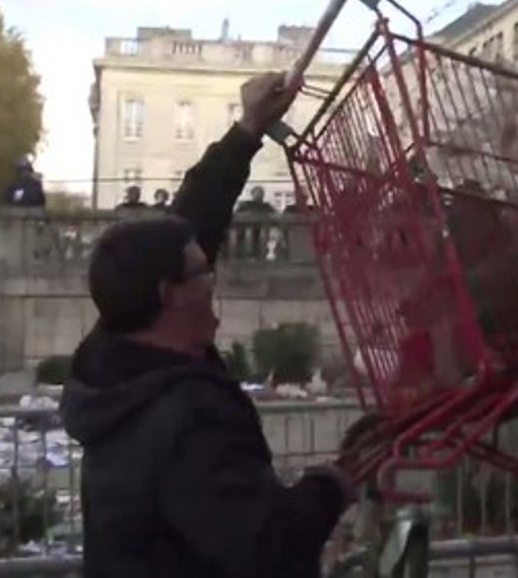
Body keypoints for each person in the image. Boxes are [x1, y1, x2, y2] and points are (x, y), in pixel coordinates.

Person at [60, 72, 357, 577]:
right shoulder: (184, 422)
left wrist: (247, 130)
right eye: (203, 272)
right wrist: (335, 482)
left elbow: (191, 220)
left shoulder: (119, 359)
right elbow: (271, 546)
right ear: (168, 294)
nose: (214, 277)